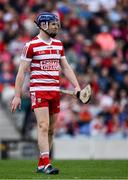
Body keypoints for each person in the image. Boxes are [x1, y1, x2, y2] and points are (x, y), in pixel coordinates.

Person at [11, 12, 81, 175]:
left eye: (56, 23)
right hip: (39, 90)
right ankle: (47, 163)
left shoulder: (58, 44)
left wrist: (76, 86)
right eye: (53, 23)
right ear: (43, 25)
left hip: (55, 91)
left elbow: (66, 67)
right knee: (43, 126)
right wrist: (17, 95)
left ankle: (42, 164)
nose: (56, 26)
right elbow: (21, 72)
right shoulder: (31, 45)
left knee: (50, 130)